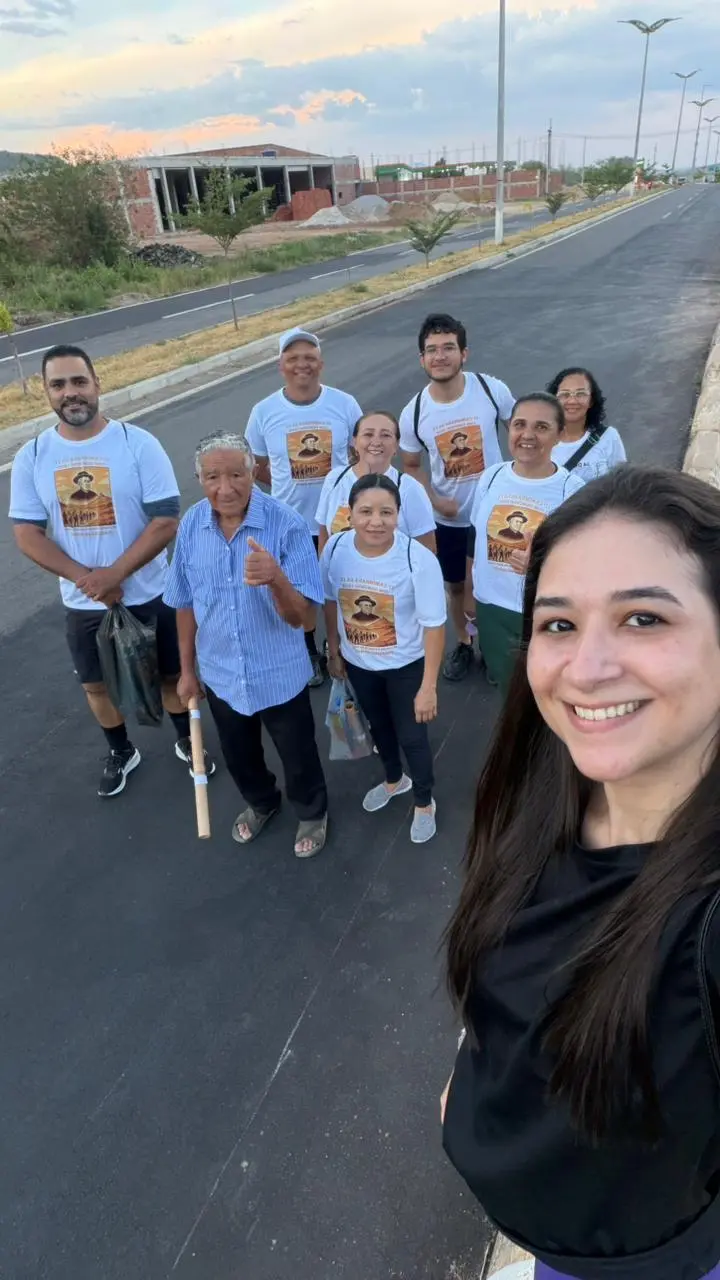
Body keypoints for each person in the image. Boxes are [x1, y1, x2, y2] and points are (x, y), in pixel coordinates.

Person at [442, 465, 720, 1280]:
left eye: (642, 618)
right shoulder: (547, 796)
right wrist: (471, 1068)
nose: (586, 669)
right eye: (558, 626)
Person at [8, 343, 212, 798]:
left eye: (79, 381)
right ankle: (121, 750)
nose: (70, 393)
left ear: (97, 384)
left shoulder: (136, 444)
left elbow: (164, 519)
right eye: (58, 384)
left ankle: (185, 737)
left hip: (149, 593)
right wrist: (90, 579)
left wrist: (116, 573)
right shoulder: (33, 455)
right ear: (46, 391)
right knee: (96, 686)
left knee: (167, 676)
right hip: (84, 604)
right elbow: (27, 533)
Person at [164, 431, 329, 859]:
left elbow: (305, 619)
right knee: (239, 755)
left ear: (254, 471)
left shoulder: (286, 524)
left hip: (279, 673)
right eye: (213, 477)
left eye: (236, 474)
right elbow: (183, 603)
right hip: (220, 674)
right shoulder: (191, 528)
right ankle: (262, 803)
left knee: (298, 754)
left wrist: (276, 578)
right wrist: (186, 670)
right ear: (199, 479)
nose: (226, 488)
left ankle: (312, 813)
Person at [322, 474, 446, 844]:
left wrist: (428, 687)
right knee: (378, 730)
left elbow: (435, 626)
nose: (376, 521)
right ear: (349, 513)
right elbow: (330, 601)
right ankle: (395, 780)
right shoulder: (336, 548)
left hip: (406, 668)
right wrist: (334, 648)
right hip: (360, 666)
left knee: (413, 737)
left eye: (386, 512)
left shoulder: (416, 559)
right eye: (365, 511)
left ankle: (424, 802)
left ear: (398, 515)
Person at [399, 313, 515, 683]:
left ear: (464, 353)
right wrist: (435, 500)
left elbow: (520, 432)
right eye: (431, 350)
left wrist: (513, 482)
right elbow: (412, 465)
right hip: (449, 520)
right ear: (422, 359)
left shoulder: (489, 389)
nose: (440, 356)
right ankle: (464, 643)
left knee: (499, 584)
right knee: (455, 586)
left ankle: (496, 650)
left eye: (448, 347)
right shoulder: (414, 412)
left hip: (495, 514)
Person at [245, 327, 362, 687]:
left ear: (321, 364)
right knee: (299, 591)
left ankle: (339, 646)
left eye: (309, 357)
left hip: (340, 523)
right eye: (293, 359)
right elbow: (256, 464)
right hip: (292, 524)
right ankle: (308, 652)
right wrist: (284, 486)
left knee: (342, 587)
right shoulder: (264, 412)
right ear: (281, 365)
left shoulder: (344, 404)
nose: (302, 365)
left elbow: (358, 456)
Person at [469, 393, 584, 695]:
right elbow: (475, 537)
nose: (528, 435)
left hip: (540, 609)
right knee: (508, 689)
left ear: (560, 435)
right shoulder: (491, 477)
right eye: (520, 424)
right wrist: (472, 592)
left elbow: (587, 564)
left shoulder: (572, 492)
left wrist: (542, 564)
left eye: (542, 427)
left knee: (548, 691)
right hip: (492, 606)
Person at [315, 410, 436, 553]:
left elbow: (427, 550)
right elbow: (324, 537)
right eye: (368, 434)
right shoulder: (334, 479)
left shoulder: (410, 489)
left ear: (396, 445)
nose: (376, 442)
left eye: (385, 435)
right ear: (354, 442)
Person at [547, 366, 626, 481]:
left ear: (591, 401)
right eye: (565, 394)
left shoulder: (609, 437)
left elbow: (621, 483)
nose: (572, 401)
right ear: (553, 400)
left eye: (580, 394)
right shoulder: (541, 439)